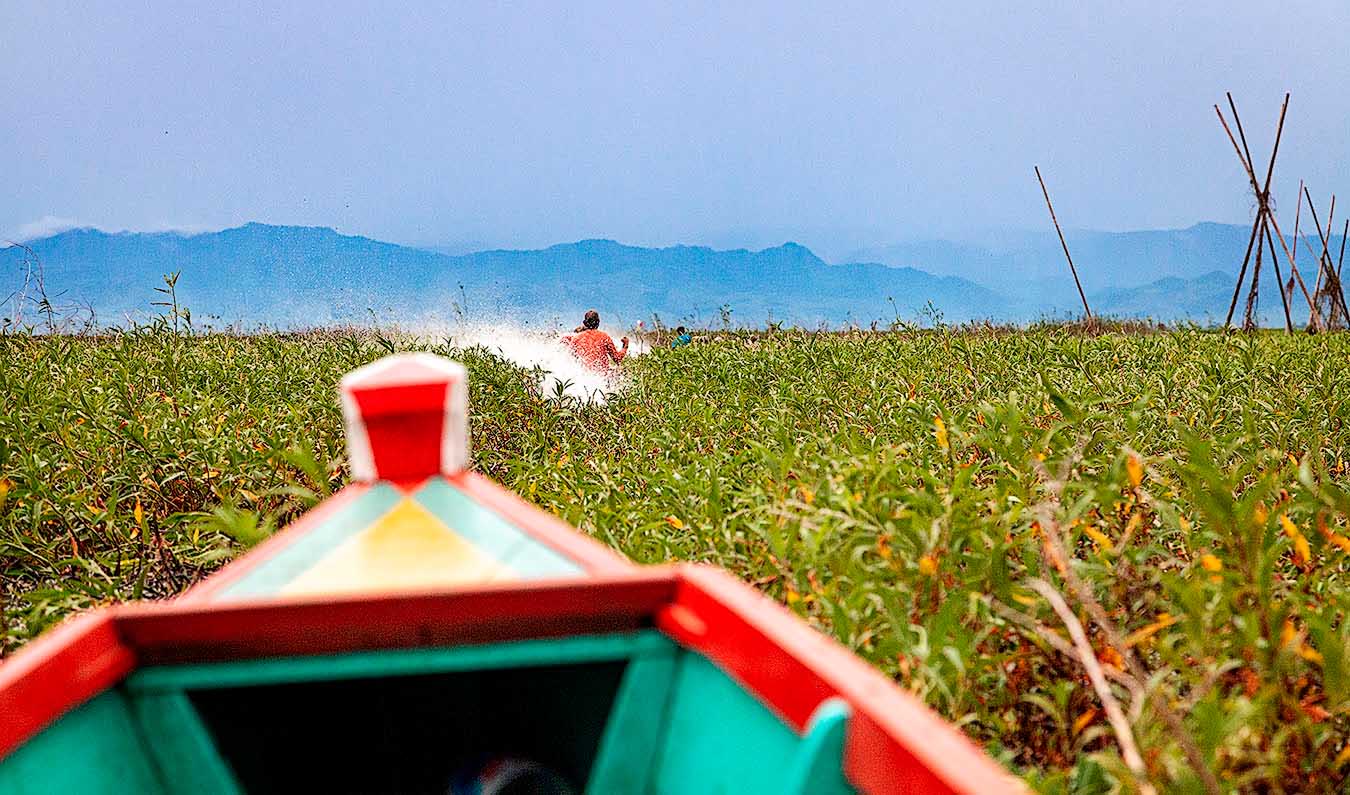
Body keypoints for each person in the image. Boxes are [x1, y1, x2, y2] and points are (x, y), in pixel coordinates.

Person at [563, 309, 628, 372]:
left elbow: (569, 360)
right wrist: (625, 346)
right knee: (620, 371)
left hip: (583, 376)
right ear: (598, 322)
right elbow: (617, 359)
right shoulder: (604, 337)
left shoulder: (576, 338)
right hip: (601, 377)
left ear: (584, 323)